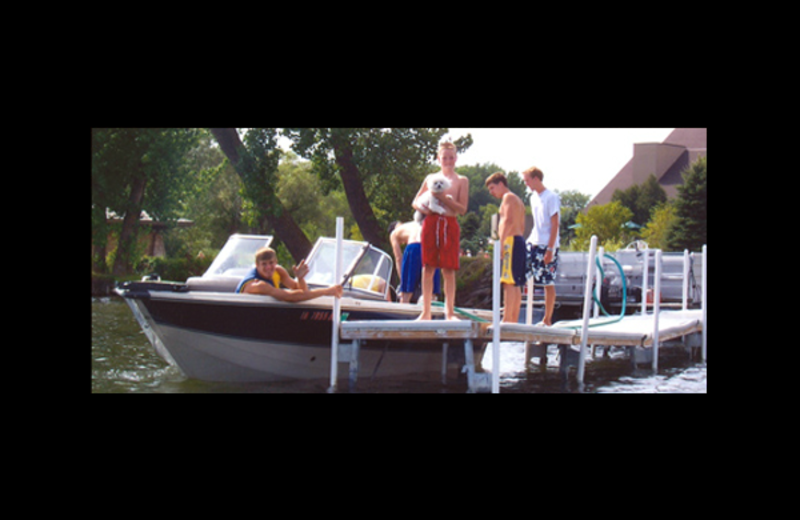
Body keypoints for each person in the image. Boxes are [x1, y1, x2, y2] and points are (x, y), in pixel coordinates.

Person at [412, 142, 469, 320]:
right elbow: (415, 201)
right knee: (428, 267)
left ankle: (450, 312)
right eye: (444, 157)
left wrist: (443, 198)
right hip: (431, 223)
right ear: (439, 159)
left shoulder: (462, 180)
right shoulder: (431, 177)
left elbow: (462, 209)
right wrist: (426, 210)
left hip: (450, 223)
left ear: (456, 158)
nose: (448, 161)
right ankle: (426, 311)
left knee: (449, 268)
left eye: (451, 157)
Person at [485, 172, 526, 323]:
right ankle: (512, 318)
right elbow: (521, 224)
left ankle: (508, 318)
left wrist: (501, 244)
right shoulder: (518, 200)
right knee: (515, 282)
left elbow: (507, 220)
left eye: (492, 188)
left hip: (511, 241)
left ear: (501, 184)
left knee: (508, 282)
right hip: (519, 239)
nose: (491, 192)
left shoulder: (508, 198)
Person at [522, 166, 560, 326]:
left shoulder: (551, 197)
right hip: (534, 242)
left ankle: (548, 318)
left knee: (547, 281)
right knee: (525, 276)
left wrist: (550, 249)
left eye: (528, 181)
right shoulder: (533, 198)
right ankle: (525, 314)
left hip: (547, 243)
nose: (527, 184)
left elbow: (555, 223)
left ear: (536, 179)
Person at [236, 247, 343, 301]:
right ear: (256, 265)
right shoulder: (258, 285)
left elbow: (301, 291)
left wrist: (300, 279)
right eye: (264, 264)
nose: (268, 267)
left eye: (271, 263)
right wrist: (327, 291)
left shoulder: (278, 271)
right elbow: (292, 297)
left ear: (276, 262)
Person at [388, 220, 440, 303]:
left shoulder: (394, 233)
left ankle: (403, 311)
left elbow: (398, 258)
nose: (403, 243)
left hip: (414, 247)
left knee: (406, 294)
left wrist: (403, 281)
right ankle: (430, 313)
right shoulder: (414, 223)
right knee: (431, 292)